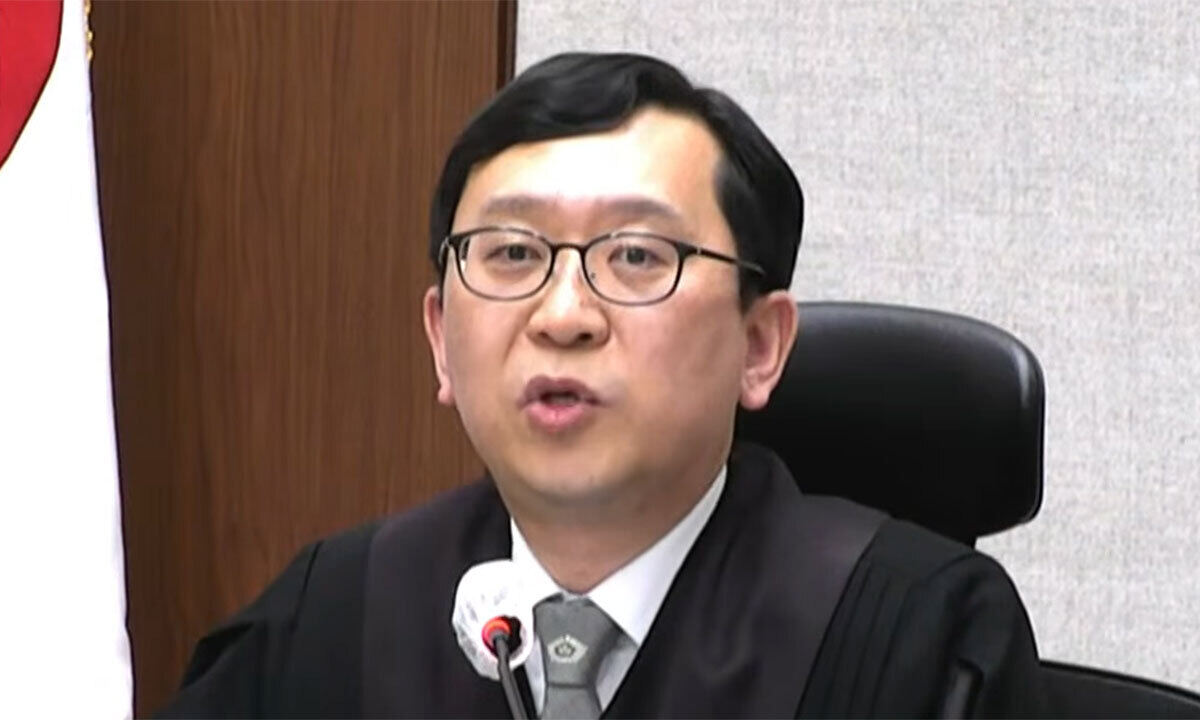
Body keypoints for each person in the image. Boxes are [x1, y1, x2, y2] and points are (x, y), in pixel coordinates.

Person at [157, 52, 1047, 718]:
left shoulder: (916, 638)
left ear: (760, 345)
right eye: (512, 253)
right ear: (440, 342)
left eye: (636, 256)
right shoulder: (332, 618)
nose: (563, 314)